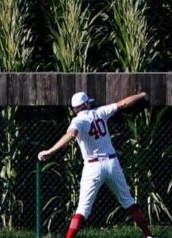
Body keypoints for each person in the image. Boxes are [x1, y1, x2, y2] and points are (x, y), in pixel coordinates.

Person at [37, 90, 155, 238]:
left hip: (93, 167)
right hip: (112, 163)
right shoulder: (100, 112)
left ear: (75, 109)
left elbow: (71, 134)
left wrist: (50, 151)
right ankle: (148, 235)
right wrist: (141, 95)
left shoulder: (77, 121)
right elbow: (124, 103)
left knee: (82, 210)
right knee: (129, 201)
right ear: (86, 103)